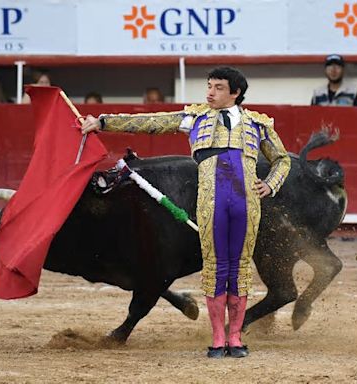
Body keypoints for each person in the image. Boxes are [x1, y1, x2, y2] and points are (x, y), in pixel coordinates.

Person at [81, 66, 291, 358]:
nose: (210, 92)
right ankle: (218, 338)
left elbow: (282, 160)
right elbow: (150, 122)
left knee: (240, 269)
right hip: (210, 202)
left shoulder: (258, 124)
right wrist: (102, 122)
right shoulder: (195, 117)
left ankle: (235, 337)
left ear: (236, 92)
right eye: (209, 86)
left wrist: (271, 184)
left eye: (218, 87)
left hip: (246, 204)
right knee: (216, 269)